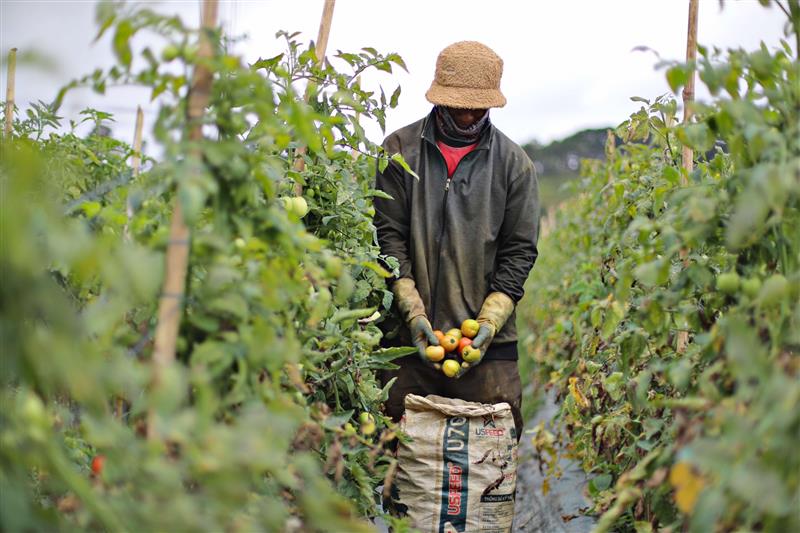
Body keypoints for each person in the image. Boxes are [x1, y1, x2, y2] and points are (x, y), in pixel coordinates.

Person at [374, 41, 540, 437]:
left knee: (487, 467)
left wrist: (491, 319)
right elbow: (388, 238)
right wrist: (412, 312)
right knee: (403, 465)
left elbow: (519, 252)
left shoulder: (514, 166)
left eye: (477, 107)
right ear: (439, 98)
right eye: (457, 106)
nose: (467, 114)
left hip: (488, 351)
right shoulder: (399, 151)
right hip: (407, 344)